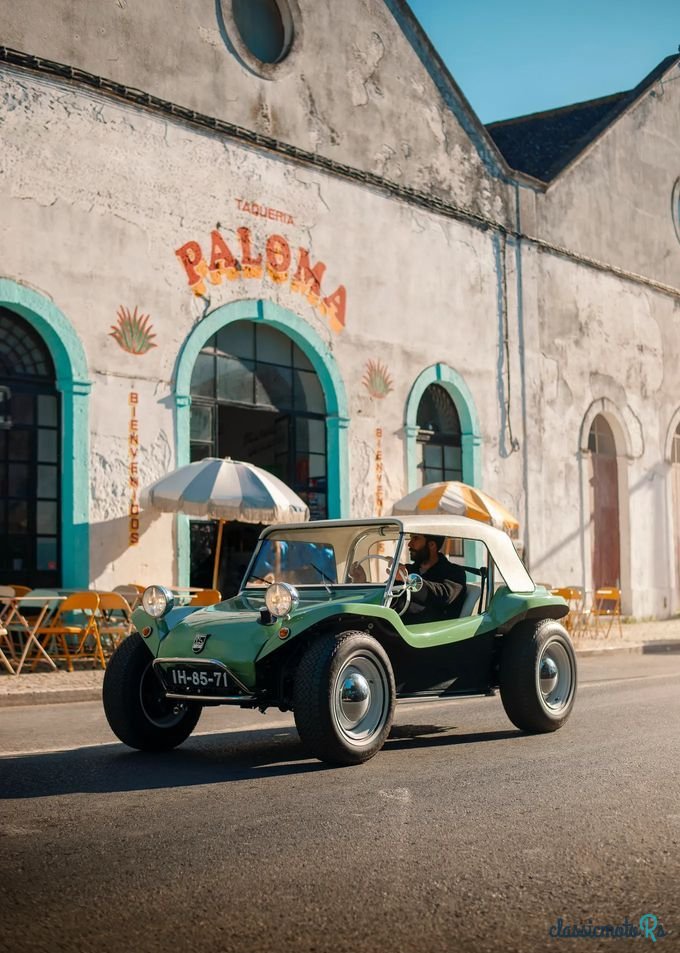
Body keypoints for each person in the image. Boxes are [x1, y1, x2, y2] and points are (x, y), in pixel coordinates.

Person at [396, 534, 467, 623]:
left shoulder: (454, 572)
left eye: (415, 538)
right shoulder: (409, 569)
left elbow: (443, 596)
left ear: (431, 545)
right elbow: (388, 591)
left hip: (432, 629)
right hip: (397, 623)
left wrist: (408, 580)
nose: (409, 544)